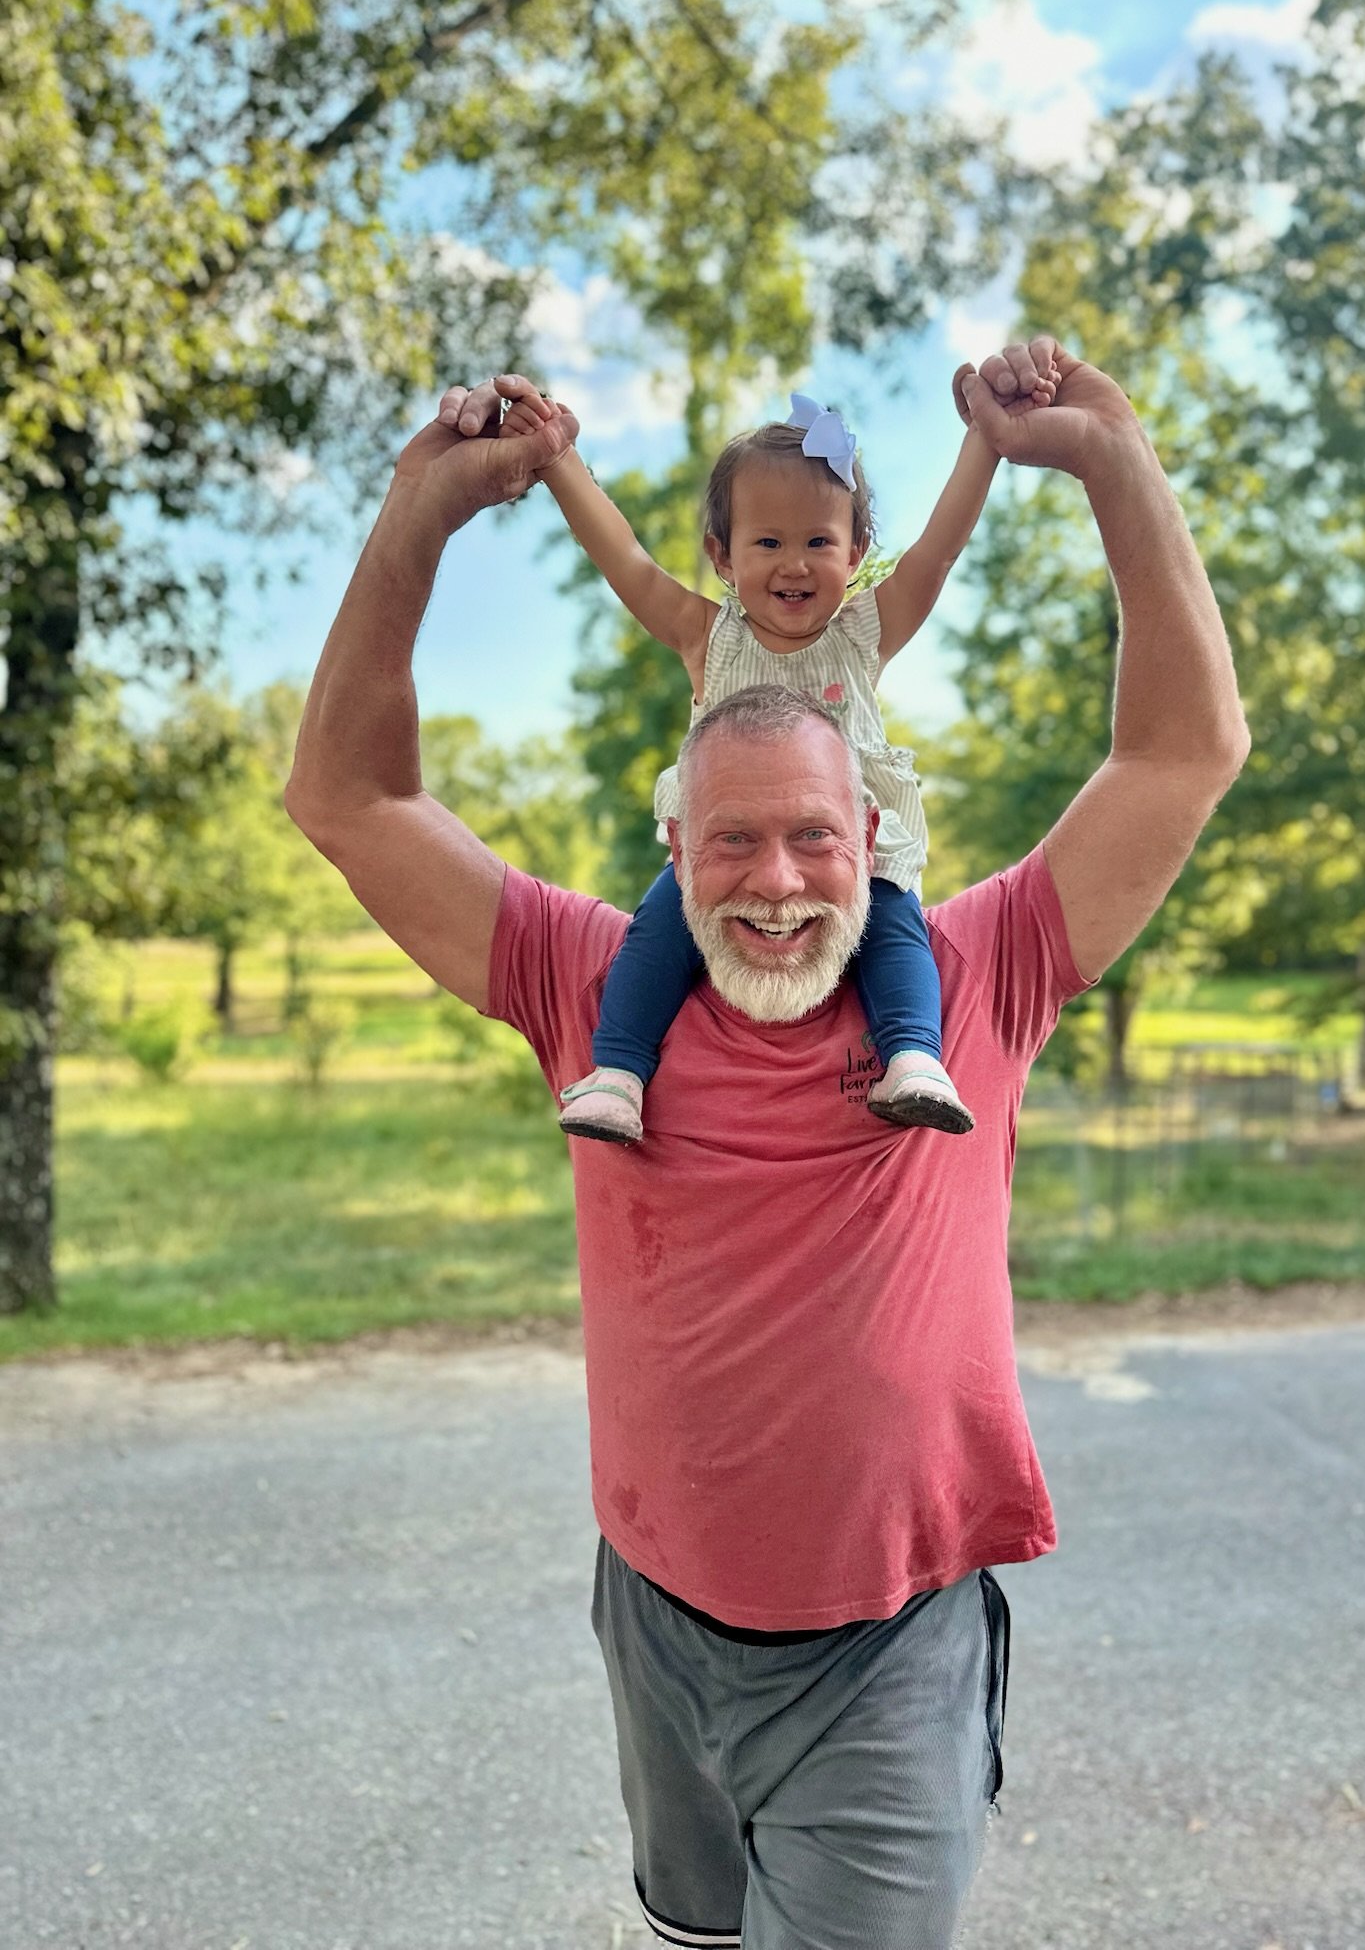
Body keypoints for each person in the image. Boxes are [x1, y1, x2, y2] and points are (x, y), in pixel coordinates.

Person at [284, 335, 1249, 1950]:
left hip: (887, 1645)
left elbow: (1179, 751)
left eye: (817, 836)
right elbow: (350, 798)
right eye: (733, 839)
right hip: (653, 1616)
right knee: (697, 1932)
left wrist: (1112, 462)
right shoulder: (593, 981)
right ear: (675, 851)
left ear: (876, 841)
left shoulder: (973, 972)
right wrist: (418, 520)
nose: (781, 879)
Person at [500, 370, 1056, 1146]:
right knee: (657, 931)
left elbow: (937, 552)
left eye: (818, 542)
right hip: (725, 853)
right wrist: (559, 460)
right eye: (768, 543)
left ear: (856, 551)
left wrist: (984, 443)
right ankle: (619, 1073)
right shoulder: (708, 637)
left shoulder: (862, 633)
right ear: (721, 557)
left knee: (897, 932)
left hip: (852, 859)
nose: (794, 564)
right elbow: (623, 560)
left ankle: (914, 1060)